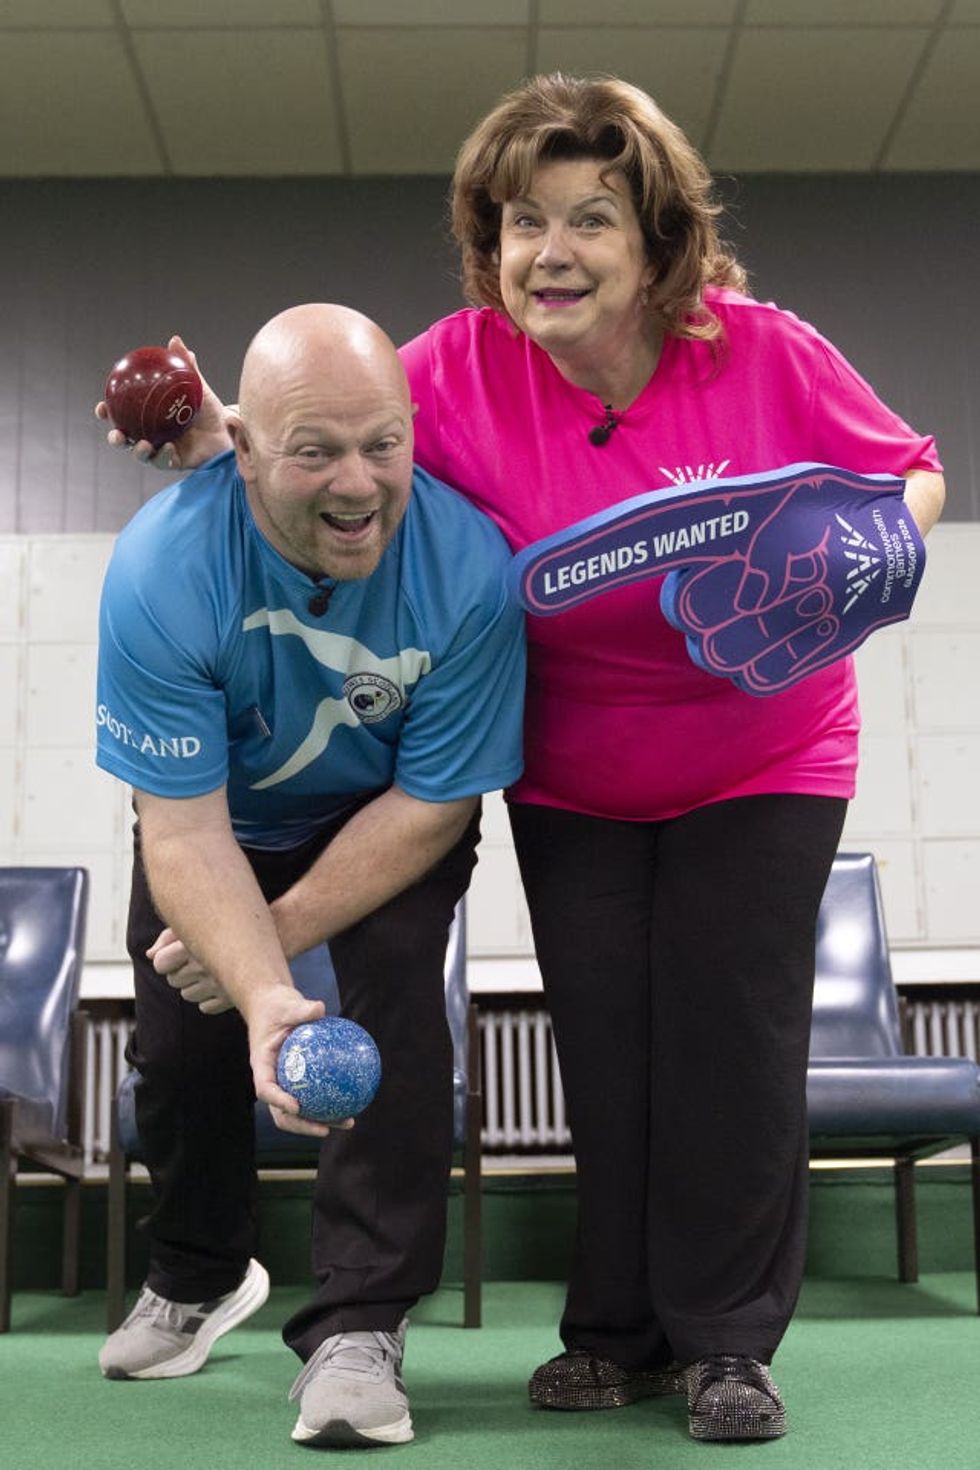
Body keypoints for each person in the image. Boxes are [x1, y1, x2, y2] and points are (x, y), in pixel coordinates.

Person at [100, 73, 945, 1445]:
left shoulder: (762, 350)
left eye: (589, 219)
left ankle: (727, 1344)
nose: (550, 252)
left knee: (728, 1043)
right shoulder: (455, 367)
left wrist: (870, 551)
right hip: (576, 773)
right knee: (605, 1051)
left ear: (654, 237)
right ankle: (616, 1333)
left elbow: (910, 470)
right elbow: (332, 436)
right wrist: (213, 443)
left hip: (764, 753)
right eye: (519, 224)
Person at [94, 303, 526, 1450]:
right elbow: (180, 836)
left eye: (383, 443)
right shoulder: (163, 569)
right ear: (242, 449)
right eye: (315, 451)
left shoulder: (471, 571)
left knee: (391, 1009)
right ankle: (195, 1275)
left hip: (383, 815)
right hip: (216, 819)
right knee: (179, 1044)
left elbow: (434, 805)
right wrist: (251, 984)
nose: (359, 482)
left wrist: (272, 953)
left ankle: (357, 1327)